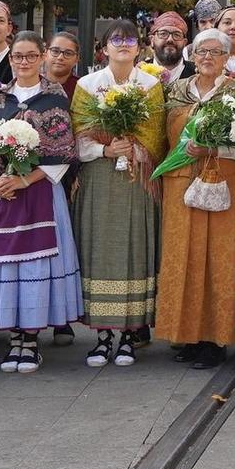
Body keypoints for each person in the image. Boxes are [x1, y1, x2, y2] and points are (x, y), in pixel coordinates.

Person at [0, 33, 82, 374]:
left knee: (33, 266)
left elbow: (63, 151)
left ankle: (30, 341)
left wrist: (24, 180)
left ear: (42, 57)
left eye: (30, 56)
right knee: (5, 267)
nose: (23, 62)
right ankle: (13, 338)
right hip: (0, 194)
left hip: (39, 192)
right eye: (17, 57)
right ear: (10, 59)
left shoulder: (54, 97)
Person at [69, 21, 168, 368]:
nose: (123, 44)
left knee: (134, 248)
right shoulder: (87, 85)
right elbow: (78, 135)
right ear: (104, 47)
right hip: (98, 176)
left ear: (140, 48)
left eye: (129, 39)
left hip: (137, 179)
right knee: (99, 250)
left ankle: (129, 334)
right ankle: (102, 336)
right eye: (116, 39)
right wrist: (105, 149)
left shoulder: (151, 86)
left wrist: (133, 148)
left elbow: (157, 136)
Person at [157, 28, 235, 369]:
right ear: (192, 56)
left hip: (221, 182)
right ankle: (188, 334)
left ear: (227, 58)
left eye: (215, 52)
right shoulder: (175, 90)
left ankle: (215, 339)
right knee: (183, 257)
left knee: (217, 258)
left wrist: (214, 149)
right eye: (202, 51)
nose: (208, 57)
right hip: (179, 183)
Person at [149, 12, 193, 83]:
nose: (170, 39)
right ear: (152, 40)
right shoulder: (137, 73)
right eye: (163, 34)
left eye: (177, 35)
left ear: (184, 43)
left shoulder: (198, 74)